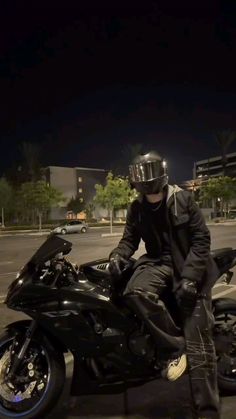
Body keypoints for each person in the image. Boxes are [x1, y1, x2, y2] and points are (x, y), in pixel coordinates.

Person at [109, 151, 220, 419]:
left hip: (188, 266)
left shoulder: (183, 199)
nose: (146, 185)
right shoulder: (136, 209)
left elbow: (201, 240)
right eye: (141, 180)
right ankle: (174, 346)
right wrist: (118, 254)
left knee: (201, 350)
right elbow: (129, 240)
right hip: (158, 263)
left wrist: (191, 278)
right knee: (134, 292)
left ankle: (208, 413)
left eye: (150, 177)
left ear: (161, 177)